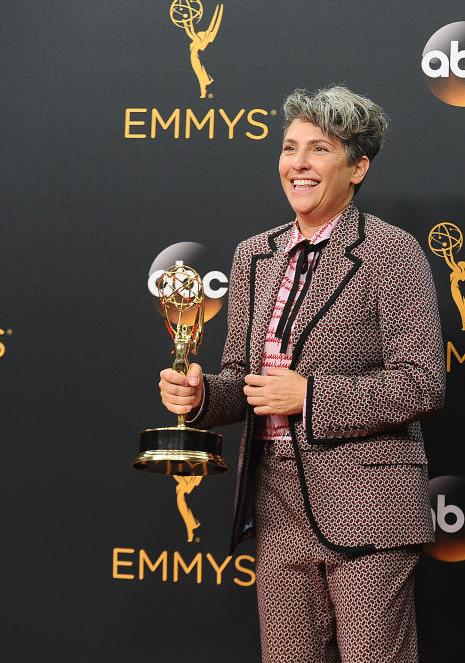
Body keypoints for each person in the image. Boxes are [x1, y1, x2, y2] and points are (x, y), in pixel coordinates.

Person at [159, 86, 445, 662]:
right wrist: (199, 394)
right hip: (275, 502)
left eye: (320, 149)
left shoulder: (393, 252)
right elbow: (243, 380)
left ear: (357, 167)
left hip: (369, 504)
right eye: (291, 148)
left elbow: (422, 382)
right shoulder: (252, 256)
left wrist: (309, 395)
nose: (300, 164)